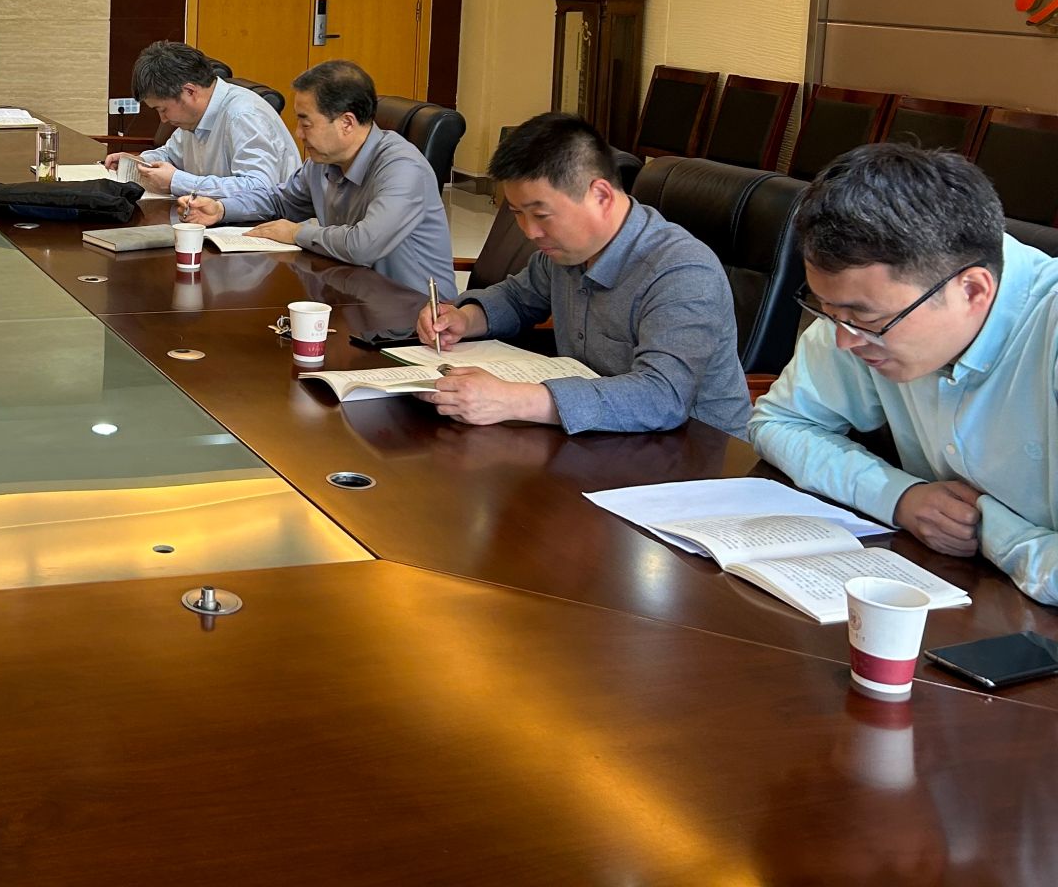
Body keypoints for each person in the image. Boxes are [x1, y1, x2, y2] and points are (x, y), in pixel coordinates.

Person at [749, 144, 1058, 605]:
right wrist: (900, 497)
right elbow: (779, 422)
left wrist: (991, 529)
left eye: (866, 319)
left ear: (972, 290)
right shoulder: (868, 307)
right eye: (827, 310)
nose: (844, 341)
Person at [416, 112, 750, 436]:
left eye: (541, 215)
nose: (530, 232)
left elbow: (662, 397)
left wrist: (513, 400)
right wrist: (464, 318)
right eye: (518, 213)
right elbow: (518, 297)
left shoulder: (681, 271)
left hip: (696, 453)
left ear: (600, 195)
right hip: (601, 438)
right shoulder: (570, 250)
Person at [176, 60, 455, 293]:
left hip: (414, 316)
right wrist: (221, 209)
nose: (298, 133)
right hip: (349, 296)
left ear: (346, 122)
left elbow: (364, 245)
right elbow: (280, 201)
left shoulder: (403, 168)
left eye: (305, 122)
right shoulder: (324, 160)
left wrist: (296, 233)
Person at [104, 41, 299, 200]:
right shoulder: (194, 116)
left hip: (267, 226)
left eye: (163, 109)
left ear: (189, 91)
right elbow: (172, 154)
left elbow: (259, 188)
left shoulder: (244, 115)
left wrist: (177, 182)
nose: (163, 119)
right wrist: (140, 162)